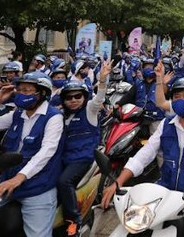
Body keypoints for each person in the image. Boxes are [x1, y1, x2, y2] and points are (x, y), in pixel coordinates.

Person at [101, 77, 184, 237]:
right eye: (176, 97)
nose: (181, 100)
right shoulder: (166, 124)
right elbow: (144, 154)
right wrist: (118, 182)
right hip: (165, 194)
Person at [0, 72, 64, 237]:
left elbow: (46, 152)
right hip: (8, 183)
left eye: (27, 90)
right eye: (19, 90)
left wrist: (19, 178)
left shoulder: (53, 117)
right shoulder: (16, 114)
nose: (21, 94)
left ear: (41, 93)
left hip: (37, 186)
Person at [57, 61, 108, 237]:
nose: (73, 100)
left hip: (82, 158)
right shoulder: (60, 116)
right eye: (69, 97)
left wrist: (102, 80)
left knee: (64, 181)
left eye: (77, 96)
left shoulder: (89, 110)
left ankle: (73, 221)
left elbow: (99, 98)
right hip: (62, 158)